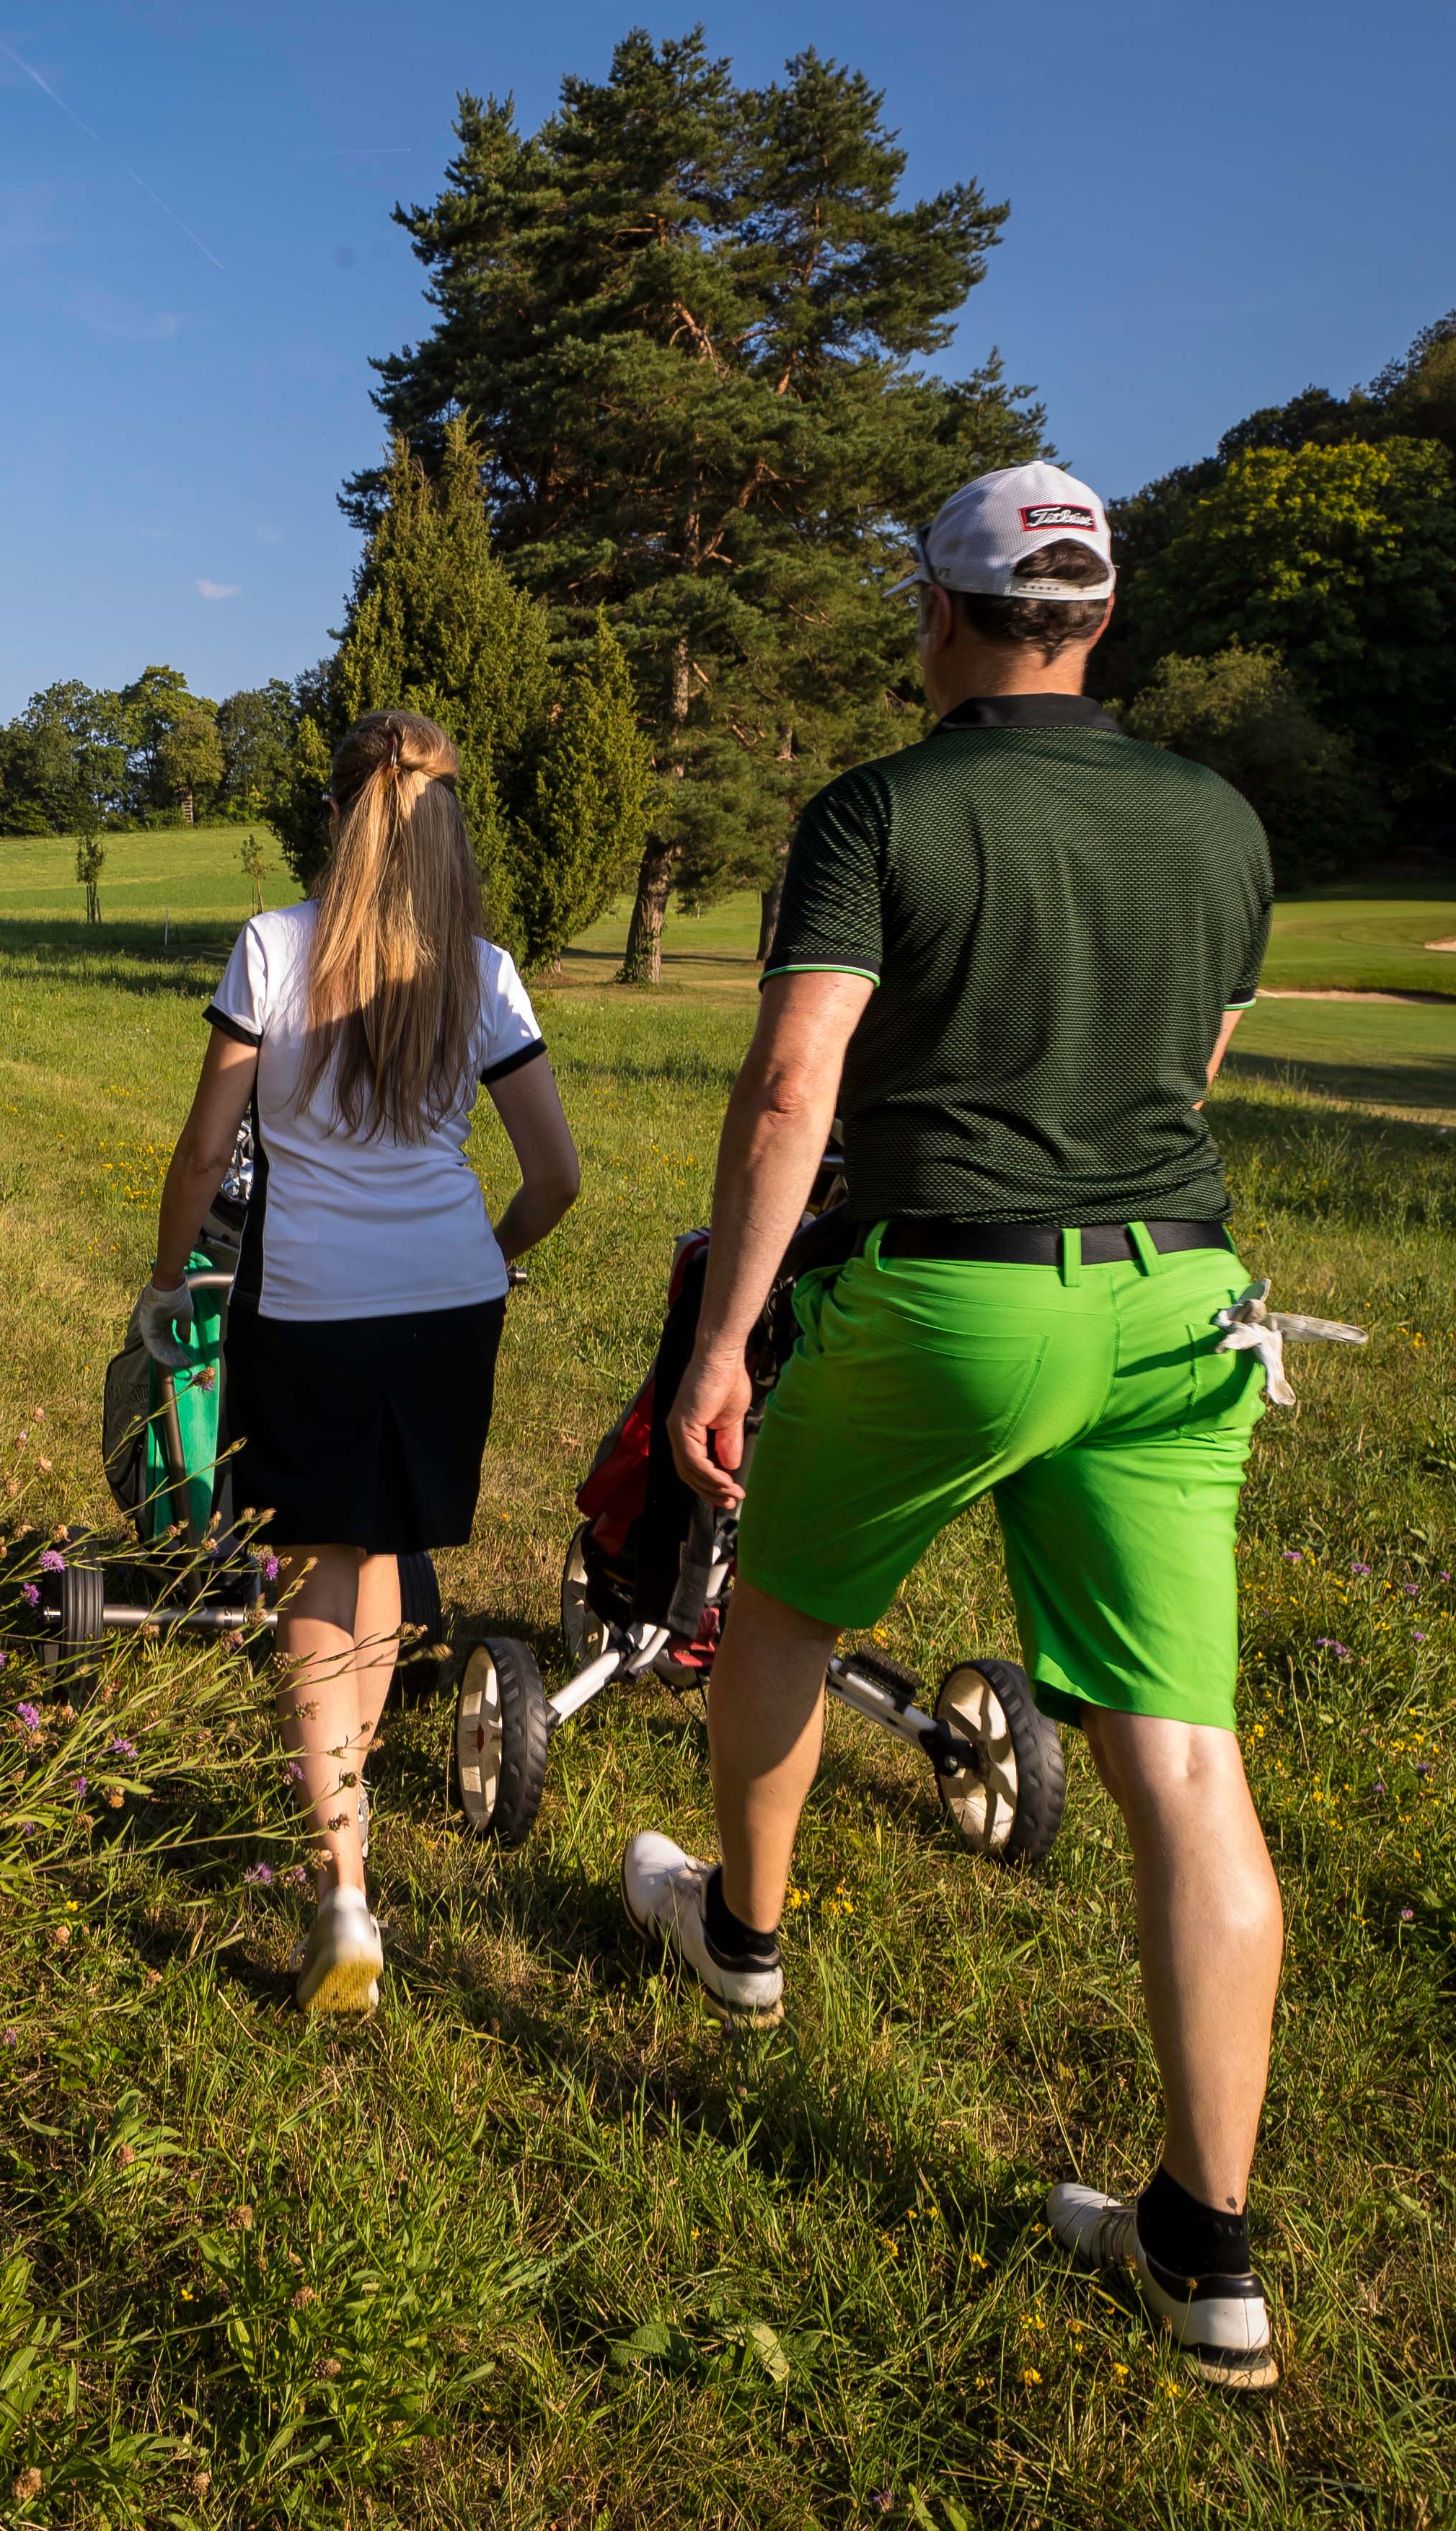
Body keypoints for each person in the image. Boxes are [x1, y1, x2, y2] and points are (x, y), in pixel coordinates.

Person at [619, 463, 1289, 2390]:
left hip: (952, 1289)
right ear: (1101, 621)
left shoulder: (881, 812)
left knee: (783, 1621)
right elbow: (1196, 1061)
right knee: (1185, 1760)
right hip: (1178, 1298)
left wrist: (726, 1338)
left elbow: (788, 1088)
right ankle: (1207, 2249)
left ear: (939, 614)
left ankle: (741, 1946)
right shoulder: (1223, 819)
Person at [145, 708, 582, 2017]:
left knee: (325, 1566)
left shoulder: (273, 949)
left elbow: (199, 1150)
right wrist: (491, 1259)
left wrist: (168, 1287)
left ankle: (343, 1883)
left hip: (313, 1304)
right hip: (449, 1305)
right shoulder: (484, 971)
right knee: (385, 1555)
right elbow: (555, 1177)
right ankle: (351, 1821)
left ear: (339, 814)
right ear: (447, 820)